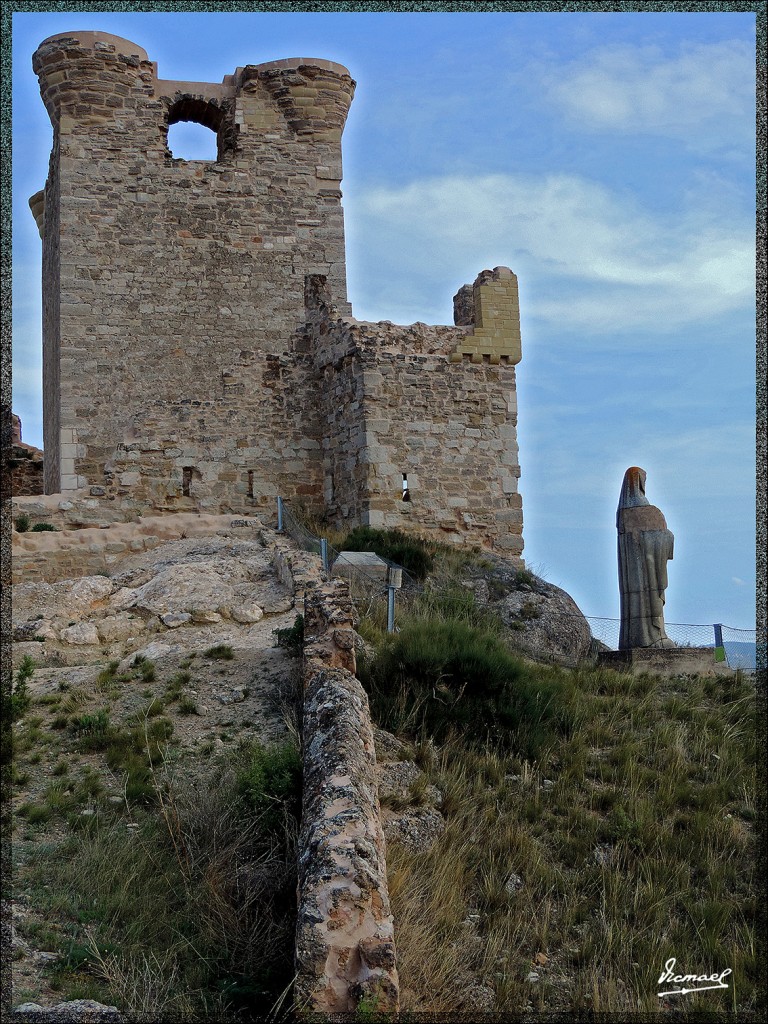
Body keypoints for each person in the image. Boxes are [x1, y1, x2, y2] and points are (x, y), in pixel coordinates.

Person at [617, 466, 675, 649]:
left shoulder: (622, 512)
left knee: (637, 603)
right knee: (650, 599)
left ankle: (635, 638)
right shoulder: (643, 509)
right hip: (646, 571)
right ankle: (654, 637)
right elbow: (657, 534)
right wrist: (667, 536)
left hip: (634, 573)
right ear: (639, 482)